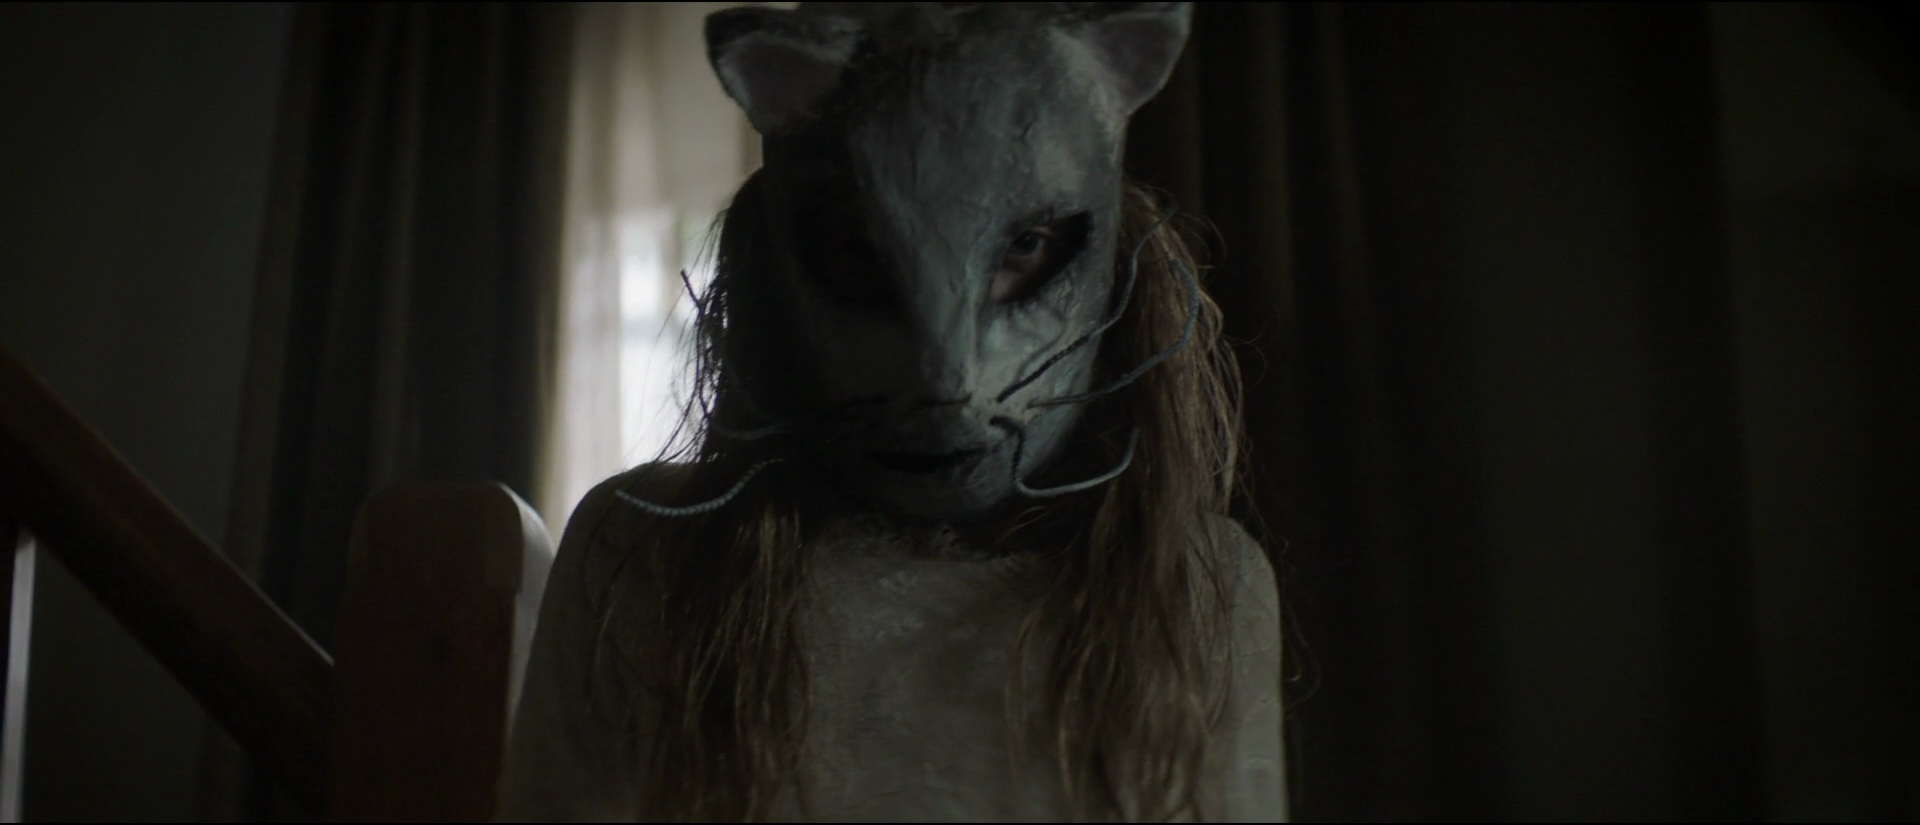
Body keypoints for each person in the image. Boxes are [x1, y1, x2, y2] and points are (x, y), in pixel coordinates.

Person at [499, 3, 1283, 820]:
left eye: (1023, 248)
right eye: (859, 252)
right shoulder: (642, 556)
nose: (947, 379)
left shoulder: (1203, 589)